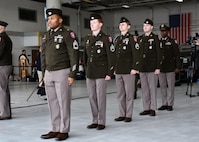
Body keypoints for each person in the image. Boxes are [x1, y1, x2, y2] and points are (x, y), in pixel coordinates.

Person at [40, 8, 79, 141]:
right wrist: (44, 73)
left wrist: (73, 74)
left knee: (63, 103)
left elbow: (74, 55)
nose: (49, 21)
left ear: (60, 20)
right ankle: (55, 128)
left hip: (63, 72)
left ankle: (64, 129)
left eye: (52, 18)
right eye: (48, 19)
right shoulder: (46, 35)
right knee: (52, 103)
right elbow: (43, 55)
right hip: (49, 73)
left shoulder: (68, 34)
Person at [83, 13, 115, 130]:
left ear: (100, 24)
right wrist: (86, 70)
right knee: (92, 97)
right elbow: (84, 57)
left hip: (101, 72)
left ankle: (101, 121)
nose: (92, 24)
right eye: (91, 23)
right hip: (90, 72)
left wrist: (109, 73)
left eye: (94, 22)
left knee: (101, 97)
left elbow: (111, 57)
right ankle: (95, 119)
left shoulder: (106, 39)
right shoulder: (87, 39)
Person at [114, 17, 139, 122]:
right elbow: (115, 55)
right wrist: (114, 68)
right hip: (119, 70)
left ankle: (128, 115)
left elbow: (136, 54)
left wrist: (135, 68)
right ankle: (121, 114)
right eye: (120, 25)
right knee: (120, 94)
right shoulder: (118, 39)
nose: (121, 26)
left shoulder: (132, 39)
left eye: (123, 25)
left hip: (129, 70)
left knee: (129, 94)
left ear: (128, 27)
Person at [138, 19, 162, 116]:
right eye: (144, 26)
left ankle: (153, 108)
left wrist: (158, 67)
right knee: (144, 89)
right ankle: (146, 108)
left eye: (147, 26)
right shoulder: (140, 38)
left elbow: (159, 54)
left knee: (152, 89)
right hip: (143, 67)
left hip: (152, 67)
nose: (145, 27)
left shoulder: (155, 38)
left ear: (151, 27)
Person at [158, 24, 181, 111]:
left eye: (164, 31)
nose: (163, 32)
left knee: (171, 86)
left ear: (168, 32)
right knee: (162, 86)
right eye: (162, 31)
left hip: (171, 67)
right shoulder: (159, 42)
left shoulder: (172, 42)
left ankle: (170, 104)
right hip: (161, 67)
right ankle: (164, 103)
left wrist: (178, 66)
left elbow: (177, 54)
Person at [0, 20, 13, 120]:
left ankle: (4, 113)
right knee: (4, 89)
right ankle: (6, 111)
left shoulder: (2, 38)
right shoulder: (7, 38)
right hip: (6, 65)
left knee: (1, 89)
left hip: (2, 65)